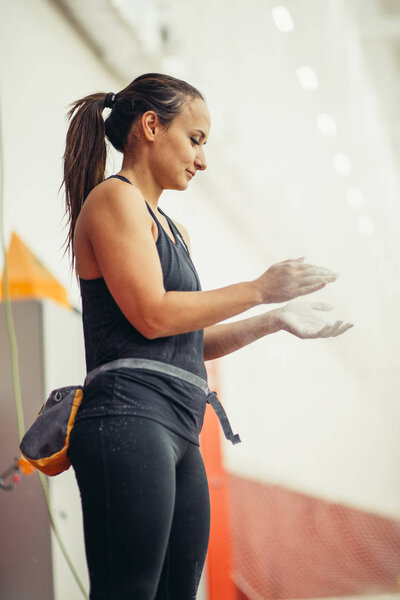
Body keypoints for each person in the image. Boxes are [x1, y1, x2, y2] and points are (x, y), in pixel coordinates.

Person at [63, 73, 353, 600]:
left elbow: (185, 341)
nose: (202, 160)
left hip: (179, 425)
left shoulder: (175, 231)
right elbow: (152, 315)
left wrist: (275, 318)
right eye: (195, 140)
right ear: (151, 126)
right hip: (129, 417)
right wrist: (259, 288)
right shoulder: (114, 201)